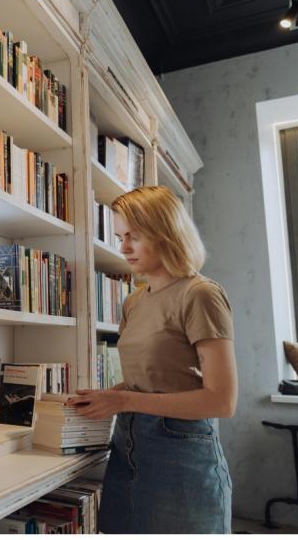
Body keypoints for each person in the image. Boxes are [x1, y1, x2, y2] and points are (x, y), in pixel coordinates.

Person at [68, 186, 237, 534]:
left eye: (135, 236)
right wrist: (105, 398)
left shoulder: (200, 294)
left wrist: (124, 400)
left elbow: (222, 401)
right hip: (126, 447)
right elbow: (146, 381)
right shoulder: (133, 302)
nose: (123, 247)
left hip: (181, 453)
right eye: (119, 236)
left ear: (166, 233)